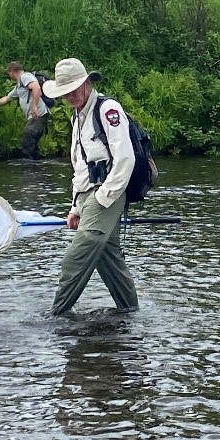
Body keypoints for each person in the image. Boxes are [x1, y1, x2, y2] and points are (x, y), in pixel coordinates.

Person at [41, 58, 140, 316]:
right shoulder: (77, 118)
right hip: (87, 195)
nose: (71, 96)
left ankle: (55, 318)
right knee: (110, 260)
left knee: (74, 260)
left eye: (74, 89)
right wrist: (75, 207)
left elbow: (125, 160)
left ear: (87, 83)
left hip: (108, 193)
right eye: (65, 92)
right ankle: (131, 314)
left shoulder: (108, 110)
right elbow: (80, 168)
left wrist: (103, 198)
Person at [0, 61, 49, 159]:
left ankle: (29, 165)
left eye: (9, 73)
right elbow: (7, 98)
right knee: (31, 141)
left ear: (11, 71)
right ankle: (37, 166)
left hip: (39, 114)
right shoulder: (19, 86)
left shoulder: (25, 76)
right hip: (35, 116)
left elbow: (36, 87)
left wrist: (34, 107)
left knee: (28, 134)